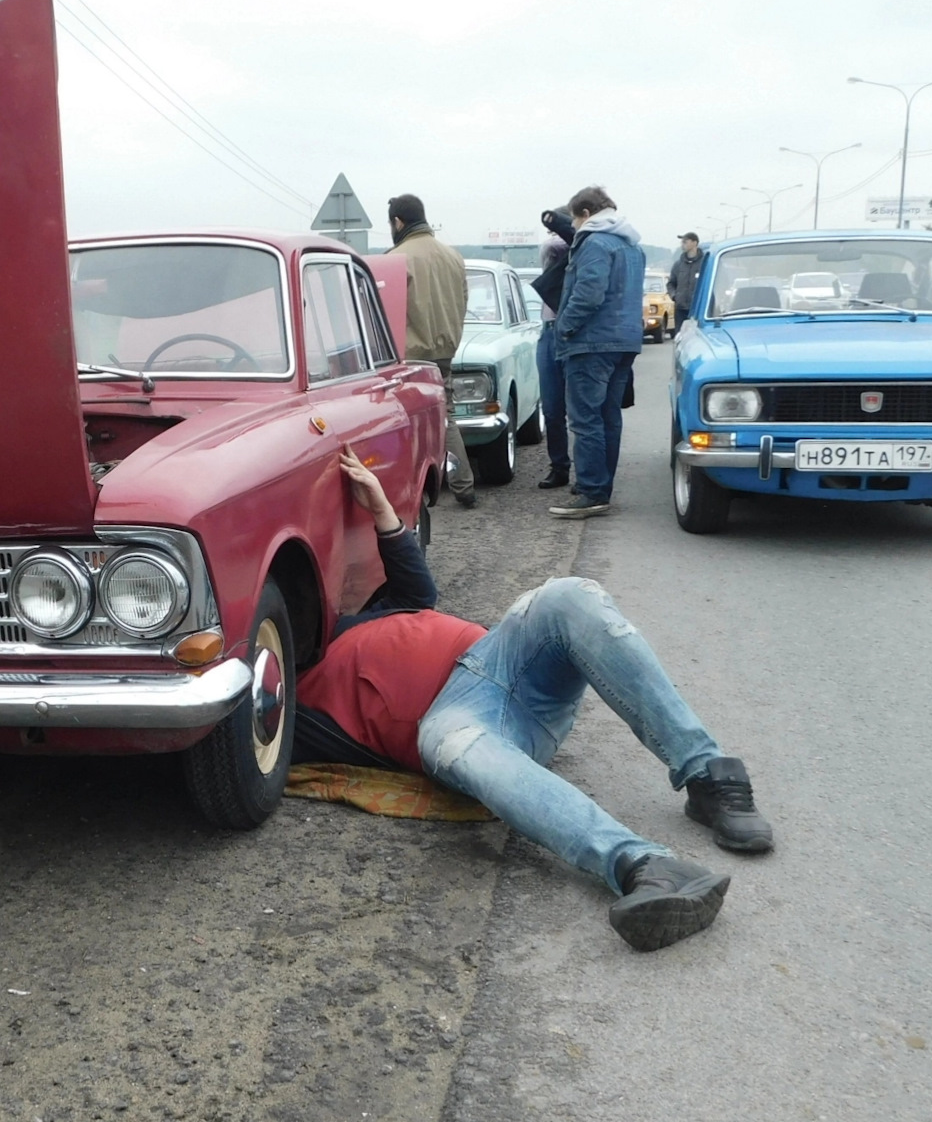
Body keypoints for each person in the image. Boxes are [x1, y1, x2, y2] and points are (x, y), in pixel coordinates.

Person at [295, 447, 772, 950]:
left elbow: (418, 593)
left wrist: (381, 510)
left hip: (500, 657)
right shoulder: (285, 708)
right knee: (452, 744)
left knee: (568, 595)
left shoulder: (344, 625)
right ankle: (645, 866)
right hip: (463, 723)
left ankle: (709, 775)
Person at [548, 186, 643, 520]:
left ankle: (591, 491)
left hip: (591, 343)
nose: (574, 226)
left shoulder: (594, 243)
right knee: (608, 417)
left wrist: (564, 327)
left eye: (574, 219)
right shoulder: (631, 244)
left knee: (585, 419)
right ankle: (602, 487)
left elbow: (589, 292)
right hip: (625, 341)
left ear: (586, 214)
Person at [388, 193, 477, 507]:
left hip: (410, 355)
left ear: (398, 222)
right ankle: (463, 485)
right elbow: (463, 301)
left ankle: (408, 489)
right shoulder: (453, 257)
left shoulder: (396, 259)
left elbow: (387, 313)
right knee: (445, 417)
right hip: (445, 351)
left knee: (402, 420)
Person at [529, 209, 575, 490]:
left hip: (571, 331)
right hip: (548, 329)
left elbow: (551, 246)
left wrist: (561, 229)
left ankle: (582, 471)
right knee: (552, 408)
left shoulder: (578, 246)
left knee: (579, 410)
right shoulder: (562, 249)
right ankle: (559, 466)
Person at [667, 232, 706, 331]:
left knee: (697, 335)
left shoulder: (705, 263)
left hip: (698, 309)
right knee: (679, 335)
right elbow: (671, 283)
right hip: (680, 309)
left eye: (685, 242)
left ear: (694, 243)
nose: (682, 245)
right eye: (682, 242)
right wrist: (674, 296)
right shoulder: (678, 264)